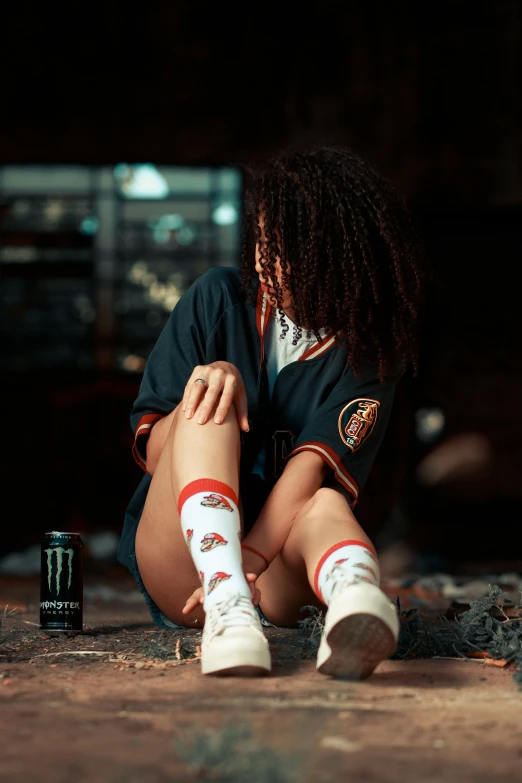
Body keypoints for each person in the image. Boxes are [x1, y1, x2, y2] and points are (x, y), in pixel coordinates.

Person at [118, 145, 425, 679]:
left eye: (282, 249)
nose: (263, 260)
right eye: (261, 241)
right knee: (208, 400)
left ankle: (355, 596)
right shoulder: (217, 297)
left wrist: (253, 564)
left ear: (332, 255)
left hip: (275, 571)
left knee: (325, 499)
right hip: (186, 569)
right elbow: (153, 455)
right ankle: (228, 609)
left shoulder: (372, 350)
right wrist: (209, 384)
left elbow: (306, 475)